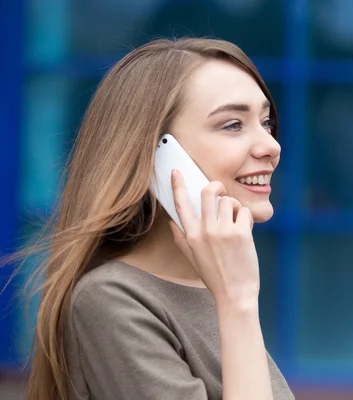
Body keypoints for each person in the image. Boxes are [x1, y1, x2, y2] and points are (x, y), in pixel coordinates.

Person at [22, 37, 294, 400]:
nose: (271, 147)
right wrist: (238, 302)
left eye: (266, 122)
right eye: (233, 125)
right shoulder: (112, 300)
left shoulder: (217, 286)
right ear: (156, 156)